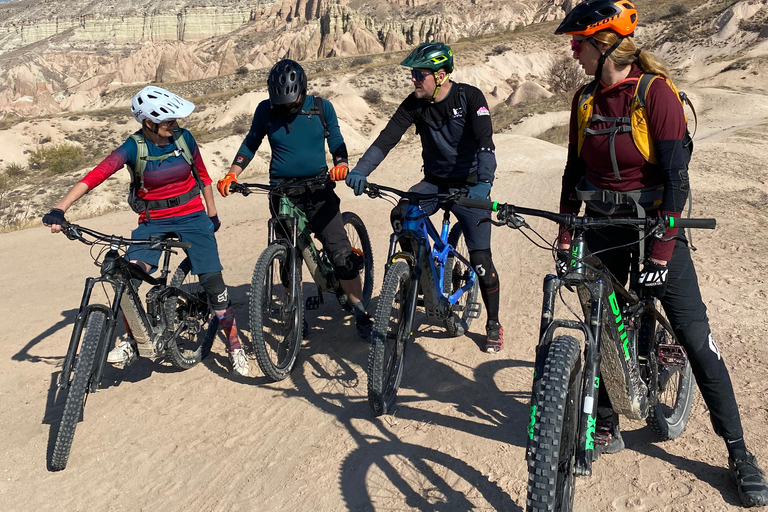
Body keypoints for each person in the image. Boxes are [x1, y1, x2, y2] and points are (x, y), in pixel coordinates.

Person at [554, 0, 768, 506]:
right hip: (603, 227)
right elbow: (571, 172)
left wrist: (662, 256)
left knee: (696, 338)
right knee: (602, 325)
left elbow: (676, 180)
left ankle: (739, 454)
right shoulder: (584, 100)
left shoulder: (656, 94)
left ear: (603, 45)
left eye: (578, 43)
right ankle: (606, 422)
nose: (573, 52)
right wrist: (565, 236)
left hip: (654, 228)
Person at [42, 86, 249, 377]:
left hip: (191, 214)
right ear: (149, 123)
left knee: (214, 283)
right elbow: (96, 175)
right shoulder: (134, 147)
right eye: (169, 122)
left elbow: (202, 176)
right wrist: (60, 208)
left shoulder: (184, 138)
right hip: (153, 220)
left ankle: (235, 345)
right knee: (128, 276)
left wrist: (211, 214)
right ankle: (131, 338)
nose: (175, 125)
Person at [344, 42, 505, 353]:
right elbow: (386, 139)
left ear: (441, 75)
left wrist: (484, 182)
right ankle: (418, 269)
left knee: (481, 261)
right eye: (412, 74)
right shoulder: (414, 104)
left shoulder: (470, 97)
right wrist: (361, 170)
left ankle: (493, 322)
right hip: (433, 183)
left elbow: (486, 143)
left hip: (470, 187)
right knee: (401, 215)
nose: (413, 79)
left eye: (419, 74)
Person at [216, 59, 373, 339]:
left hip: (318, 191)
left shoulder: (322, 108)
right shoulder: (266, 110)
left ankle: (360, 311)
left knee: (340, 254)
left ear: (302, 90)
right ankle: (293, 314)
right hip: (282, 193)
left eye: (292, 101)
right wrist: (232, 174)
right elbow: (251, 143)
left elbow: (336, 141)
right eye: (281, 102)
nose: (287, 107)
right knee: (288, 258)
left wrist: (341, 163)